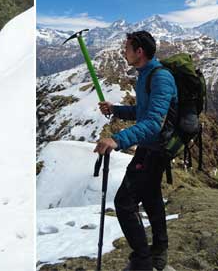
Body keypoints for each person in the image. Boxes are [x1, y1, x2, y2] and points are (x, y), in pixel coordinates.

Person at [95, 30, 177, 271]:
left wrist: (117, 140)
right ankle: (158, 252)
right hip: (151, 146)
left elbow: (154, 122)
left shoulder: (160, 78)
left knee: (124, 202)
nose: (124, 52)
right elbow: (143, 112)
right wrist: (116, 110)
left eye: (127, 48)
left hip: (156, 148)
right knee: (151, 196)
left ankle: (143, 261)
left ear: (139, 51)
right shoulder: (146, 74)